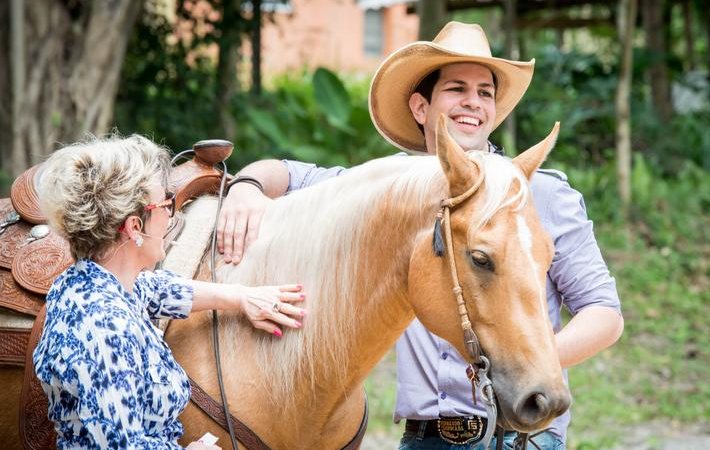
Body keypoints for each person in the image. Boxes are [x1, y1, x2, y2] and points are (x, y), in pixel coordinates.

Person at [217, 22, 623, 450]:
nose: (473, 102)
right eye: (456, 89)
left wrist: (524, 361)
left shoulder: (542, 192)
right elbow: (291, 173)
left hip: (521, 437)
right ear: (420, 106)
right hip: (426, 439)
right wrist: (247, 186)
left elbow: (604, 313)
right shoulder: (392, 195)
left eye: (486, 92)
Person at [32, 135, 307, 449]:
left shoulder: (92, 284)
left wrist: (240, 296)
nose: (172, 215)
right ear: (135, 227)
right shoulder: (104, 327)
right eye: (165, 204)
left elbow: (156, 289)